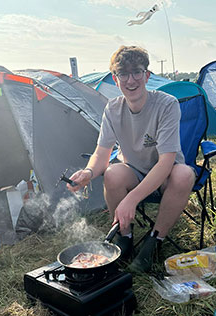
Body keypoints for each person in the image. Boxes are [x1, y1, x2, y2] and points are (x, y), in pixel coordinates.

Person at [67, 45, 195, 273]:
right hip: (134, 171)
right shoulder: (113, 109)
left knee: (184, 174)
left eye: (136, 71)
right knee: (112, 173)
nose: (131, 80)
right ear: (115, 80)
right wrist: (87, 173)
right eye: (123, 74)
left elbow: (166, 162)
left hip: (165, 175)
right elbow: (101, 153)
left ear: (147, 75)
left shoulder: (166, 104)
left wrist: (131, 199)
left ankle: (155, 241)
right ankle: (124, 237)